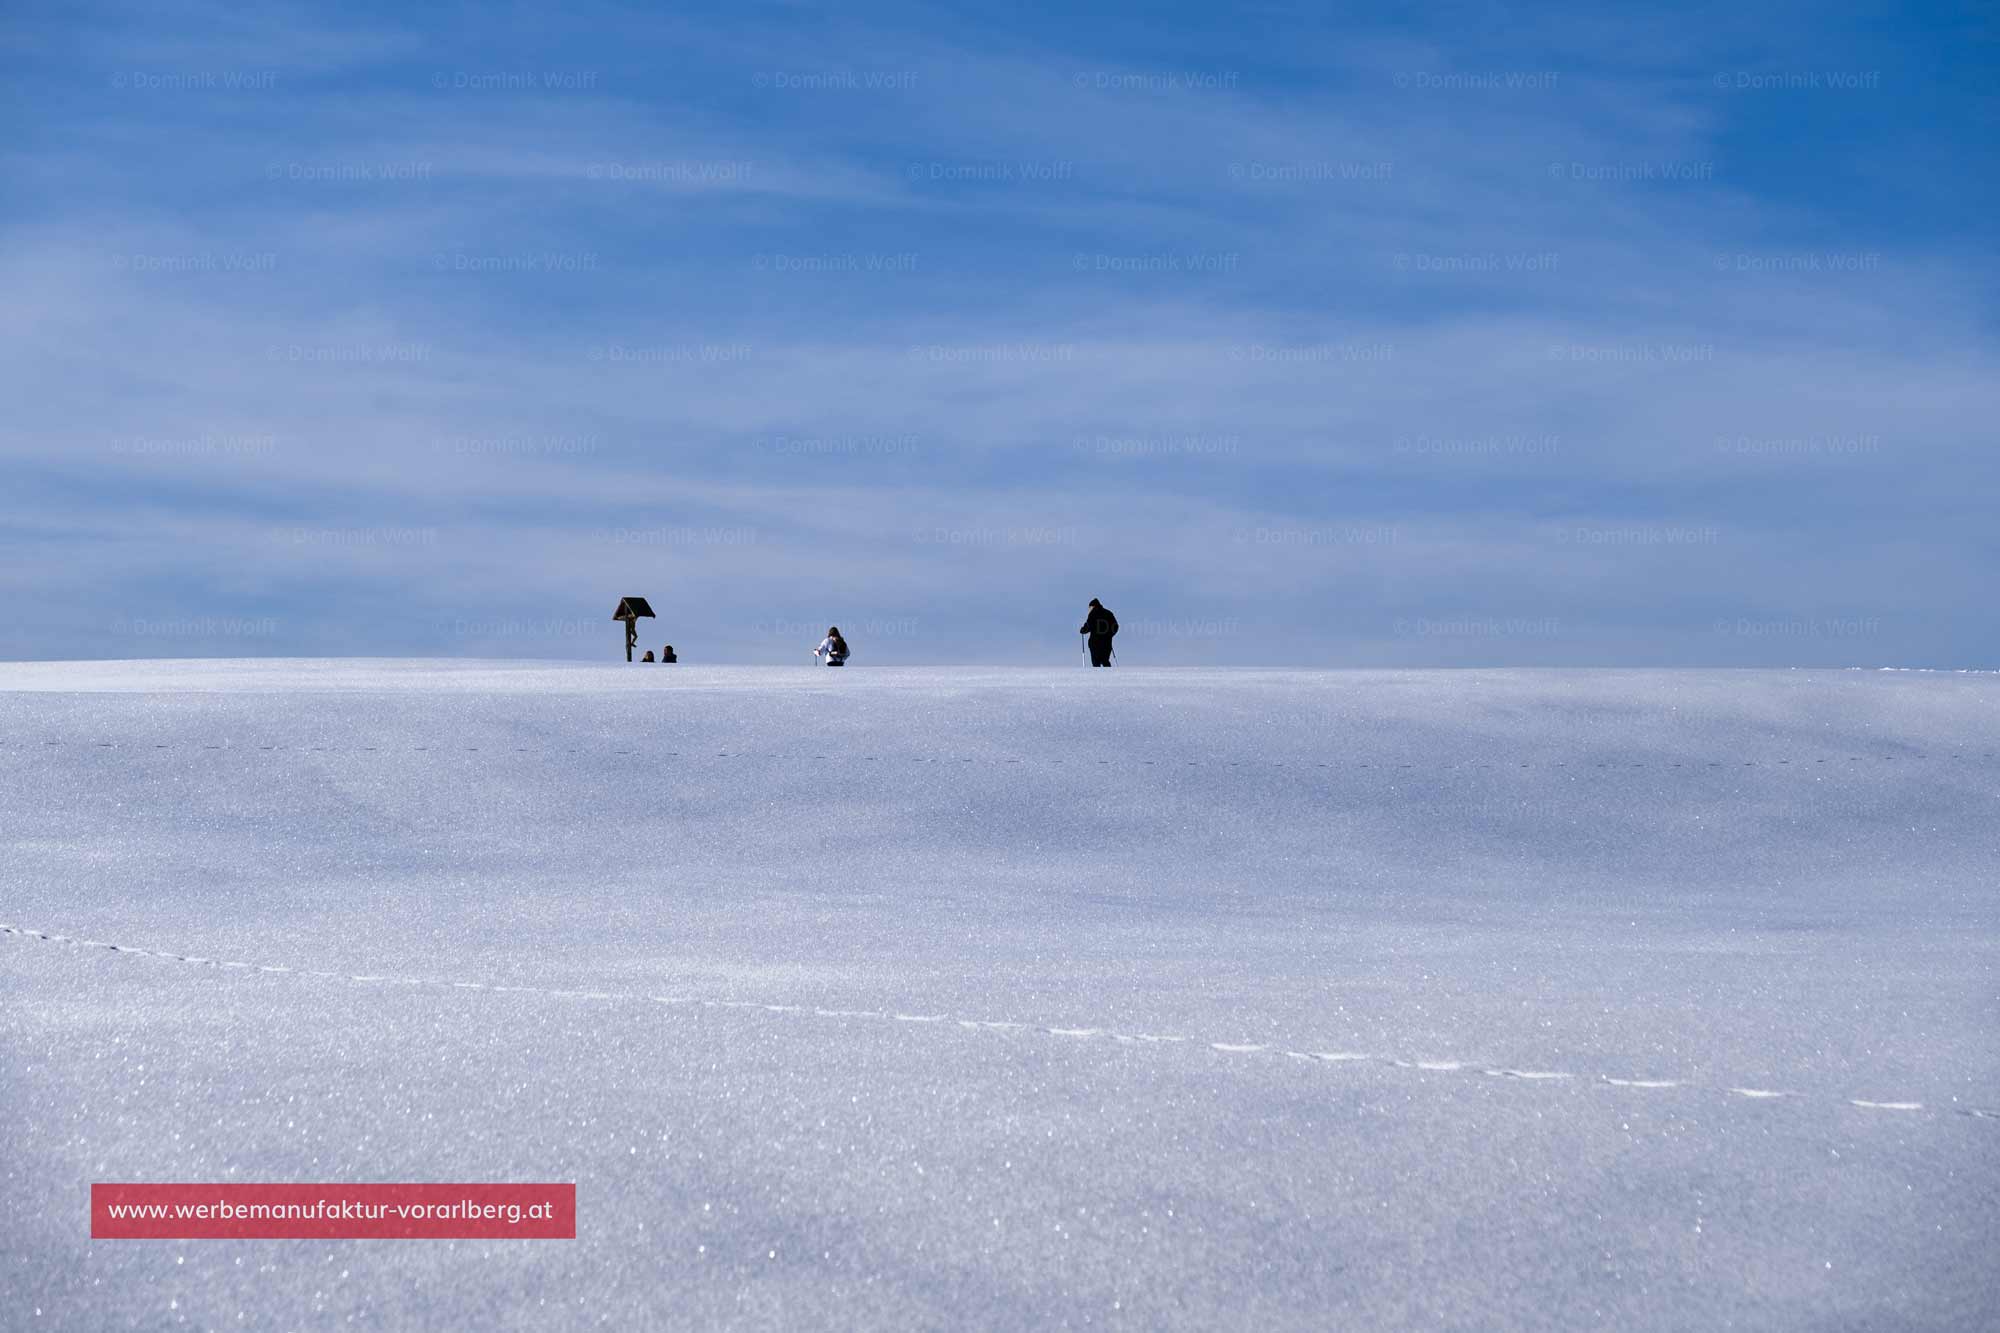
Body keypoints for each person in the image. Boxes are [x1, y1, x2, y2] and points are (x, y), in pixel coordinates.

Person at [1079, 598, 1118, 667]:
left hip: (1095, 643)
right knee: (1105, 661)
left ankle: (1098, 677)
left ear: (1093, 606)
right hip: (1107, 643)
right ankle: (1110, 677)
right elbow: (1115, 626)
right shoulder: (1108, 613)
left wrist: (1083, 630)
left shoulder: (1092, 614)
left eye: (1089, 607)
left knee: (1096, 663)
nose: (1089, 609)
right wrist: (1110, 635)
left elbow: (1088, 626)